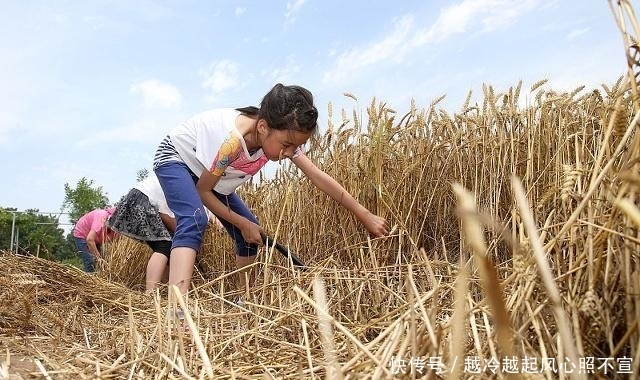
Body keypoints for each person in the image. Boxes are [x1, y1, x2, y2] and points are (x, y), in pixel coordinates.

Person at [153, 83, 389, 299]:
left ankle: (244, 299)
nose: (289, 153)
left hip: (212, 176)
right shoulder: (233, 142)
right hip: (178, 158)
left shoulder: (280, 137)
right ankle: (177, 314)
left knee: (249, 233)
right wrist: (242, 223)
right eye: (286, 145)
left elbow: (319, 177)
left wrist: (364, 213)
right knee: (194, 219)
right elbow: (203, 192)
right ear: (263, 127)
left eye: (296, 147)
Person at [107, 173, 220, 292]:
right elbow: (165, 215)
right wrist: (185, 236)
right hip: (143, 200)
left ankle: (166, 288)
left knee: (170, 247)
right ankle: (151, 293)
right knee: (165, 245)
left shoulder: (195, 193)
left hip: (140, 198)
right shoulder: (186, 190)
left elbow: (211, 217)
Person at [73, 207, 117, 272]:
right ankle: (87, 280)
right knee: (90, 262)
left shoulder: (118, 228)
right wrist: (98, 258)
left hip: (96, 239)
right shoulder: (101, 219)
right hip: (82, 235)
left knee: (101, 263)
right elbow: (89, 240)